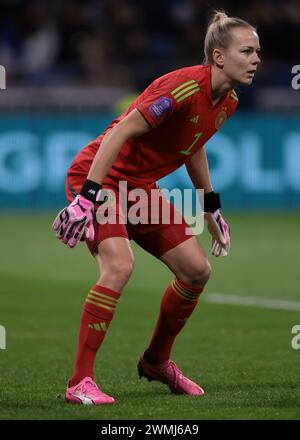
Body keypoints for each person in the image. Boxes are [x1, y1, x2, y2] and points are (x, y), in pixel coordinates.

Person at [52, 10, 261, 405]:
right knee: (119, 266)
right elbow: (121, 130)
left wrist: (211, 207)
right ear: (219, 57)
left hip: (140, 188)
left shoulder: (227, 100)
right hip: (100, 178)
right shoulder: (182, 87)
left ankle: (156, 362)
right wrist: (87, 198)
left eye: (258, 52)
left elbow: (192, 143)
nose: (256, 59)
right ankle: (79, 381)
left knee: (197, 271)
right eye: (247, 51)